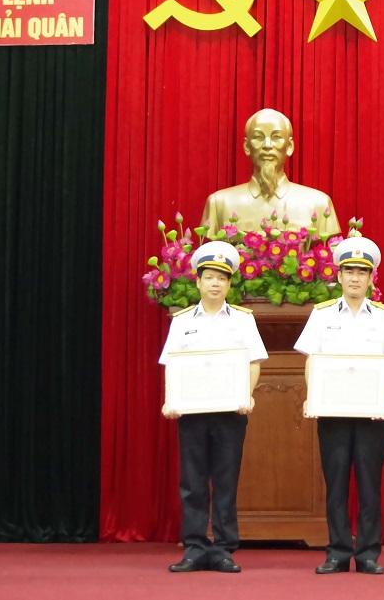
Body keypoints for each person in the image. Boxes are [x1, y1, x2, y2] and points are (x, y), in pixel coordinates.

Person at [294, 236, 384, 575]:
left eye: (362, 272)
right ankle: (338, 552)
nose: (355, 278)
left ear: (371, 278)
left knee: (370, 485)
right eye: (349, 272)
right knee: (336, 484)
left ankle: (369, 553)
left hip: (372, 414)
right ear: (339, 276)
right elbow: (312, 360)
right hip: (333, 413)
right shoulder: (322, 315)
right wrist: (313, 396)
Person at [158, 240, 268, 573]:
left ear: (229, 284)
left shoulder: (242, 320)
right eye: (209, 277)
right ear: (198, 281)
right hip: (191, 413)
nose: (215, 284)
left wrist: (247, 394)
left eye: (221, 278)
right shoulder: (181, 321)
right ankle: (194, 547)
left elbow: (254, 362)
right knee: (192, 482)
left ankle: (223, 548)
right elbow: (172, 364)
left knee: (225, 481)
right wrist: (171, 400)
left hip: (230, 413)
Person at [201, 108, 342, 237]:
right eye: (258, 137)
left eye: (276, 137)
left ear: (289, 147)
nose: (267, 145)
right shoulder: (219, 203)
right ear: (247, 146)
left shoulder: (318, 204)